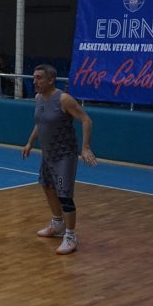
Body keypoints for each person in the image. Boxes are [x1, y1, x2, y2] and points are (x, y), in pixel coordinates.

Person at [21, 64, 97, 255]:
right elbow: (40, 123)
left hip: (64, 157)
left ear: (51, 80)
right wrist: (30, 142)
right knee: (47, 188)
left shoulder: (64, 99)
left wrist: (85, 147)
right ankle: (57, 223)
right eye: (34, 77)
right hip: (47, 155)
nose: (34, 81)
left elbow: (86, 120)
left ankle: (70, 236)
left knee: (64, 194)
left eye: (39, 78)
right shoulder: (38, 98)